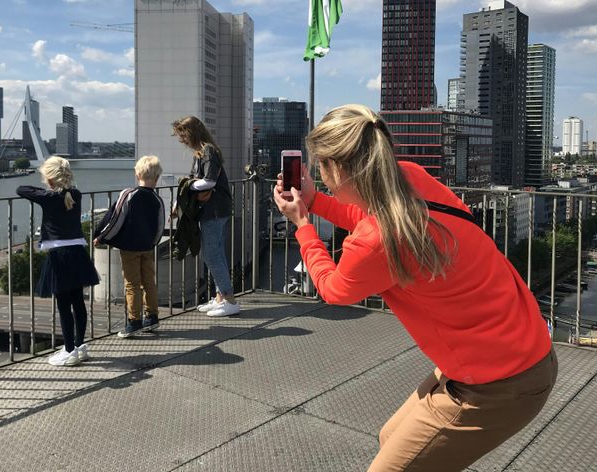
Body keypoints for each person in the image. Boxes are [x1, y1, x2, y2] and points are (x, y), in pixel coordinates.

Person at [273, 104, 557, 472]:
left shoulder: (376, 241)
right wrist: (313, 202)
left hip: (497, 384)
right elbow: (366, 212)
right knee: (390, 438)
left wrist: (302, 225)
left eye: (323, 168)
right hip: (515, 354)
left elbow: (334, 289)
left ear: (339, 168)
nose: (323, 178)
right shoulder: (409, 178)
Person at [17, 156, 99, 366]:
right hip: (77, 252)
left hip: (59, 256)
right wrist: (56, 189)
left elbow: (21, 189)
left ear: (51, 180)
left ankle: (69, 350)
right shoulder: (76, 194)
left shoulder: (49, 197)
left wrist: (48, 191)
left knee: (64, 305)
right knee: (78, 302)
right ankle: (80, 347)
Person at [172, 116, 239, 317]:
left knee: (211, 254)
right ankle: (221, 297)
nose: (181, 139)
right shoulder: (204, 151)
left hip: (214, 210)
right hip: (214, 209)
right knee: (215, 253)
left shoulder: (208, 151)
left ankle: (229, 300)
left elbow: (208, 181)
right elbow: (200, 181)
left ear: (191, 133)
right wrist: (183, 194)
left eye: (182, 135)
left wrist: (187, 186)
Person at [93, 155, 166, 338]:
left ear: (137, 173)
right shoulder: (157, 200)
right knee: (149, 281)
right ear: (157, 178)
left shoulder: (128, 194)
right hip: (147, 246)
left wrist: (101, 237)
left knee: (132, 284)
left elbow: (116, 219)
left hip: (129, 248)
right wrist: (153, 242)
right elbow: (160, 225)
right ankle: (152, 316)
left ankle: (134, 321)